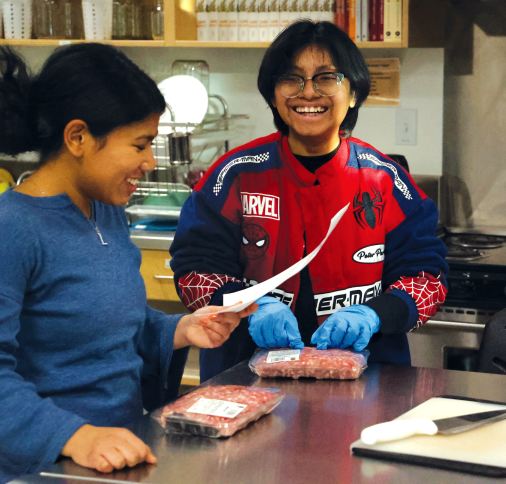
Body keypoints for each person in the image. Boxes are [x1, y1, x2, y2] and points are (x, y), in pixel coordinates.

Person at [0, 44, 257, 484]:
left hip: (121, 456)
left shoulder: (103, 211)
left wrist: (178, 330)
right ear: (78, 138)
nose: (149, 162)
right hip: (53, 467)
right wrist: (75, 437)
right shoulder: (4, 233)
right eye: (140, 145)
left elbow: (101, 322)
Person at [170, 20, 449, 382]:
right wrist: (250, 306)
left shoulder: (385, 179)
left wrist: (374, 315)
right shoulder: (233, 176)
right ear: (273, 94)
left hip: (367, 378)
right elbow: (195, 271)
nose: (308, 93)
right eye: (292, 79)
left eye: (327, 78)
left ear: (353, 93)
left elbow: (427, 277)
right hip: (244, 377)